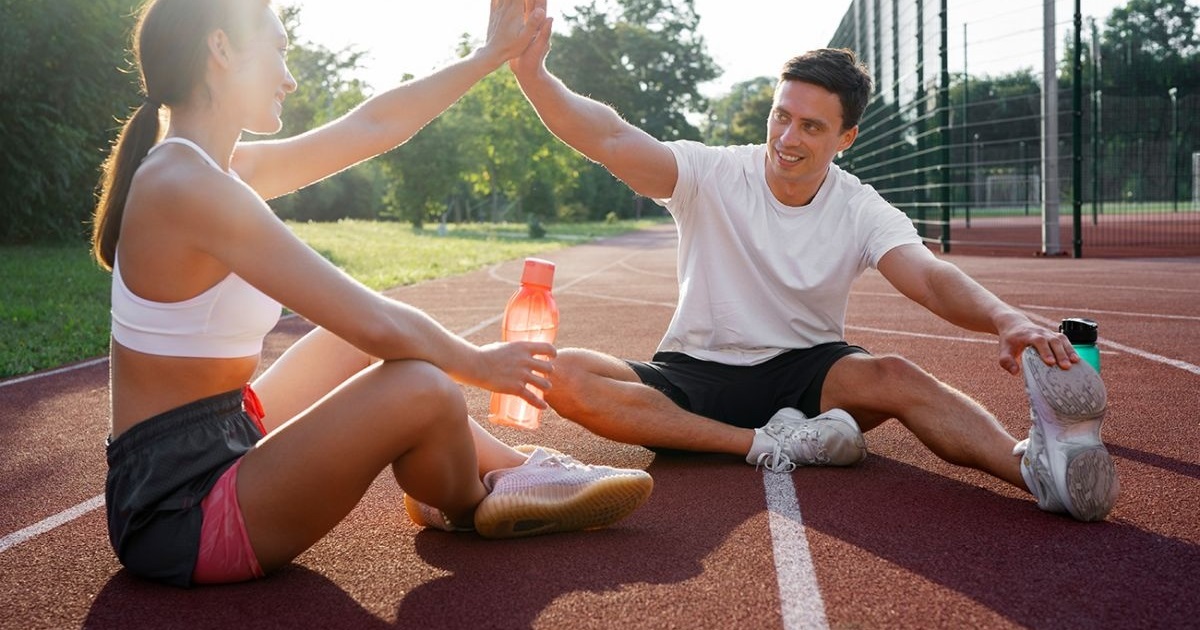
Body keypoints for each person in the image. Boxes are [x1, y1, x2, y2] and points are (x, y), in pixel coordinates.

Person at [92, 0, 652, 588]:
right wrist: (483, 367)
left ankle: (509, 474)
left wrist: (489, 57)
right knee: (423, 385)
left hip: (224, 432)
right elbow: (377, 323)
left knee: (353, 351)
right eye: (279, 50)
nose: (291, 76)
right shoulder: (186, 185)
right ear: (222, 49)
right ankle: (462, 498)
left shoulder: (217, 170)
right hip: (180, 514)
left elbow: (372, 127)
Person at [508, 26, 1117, 522]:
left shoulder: (860, 207)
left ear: (845, 137)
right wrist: (534, 75)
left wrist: (1005, 318)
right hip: (694, 371)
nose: (787, 137)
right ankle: (769, 445)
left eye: (811, 126)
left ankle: (1038, 470)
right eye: (781, 116)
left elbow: (928, 278)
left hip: (809, 372)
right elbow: (609, 136)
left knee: (897, 375)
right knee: (560, 373)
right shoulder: (710, 173)